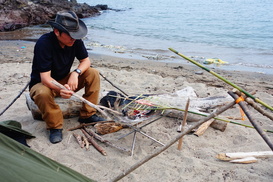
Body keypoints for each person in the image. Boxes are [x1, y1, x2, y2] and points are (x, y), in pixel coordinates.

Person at [29, 11, 105, 144]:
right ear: (57, 32)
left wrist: (76, 73)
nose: (73, 39)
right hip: (43, 84)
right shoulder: (44, 43)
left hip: (65, 80)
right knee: (42, 92)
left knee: (93, 73)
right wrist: (60, 90)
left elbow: (86, 61)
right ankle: (55, 127)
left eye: (76, 35)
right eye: (70, 35)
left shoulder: (75, 41)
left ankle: (87, 115)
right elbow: (45, 78)